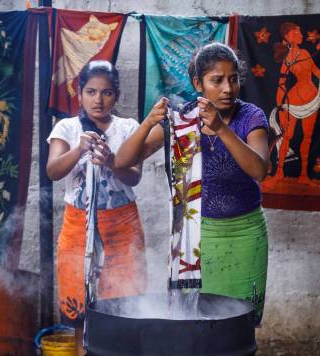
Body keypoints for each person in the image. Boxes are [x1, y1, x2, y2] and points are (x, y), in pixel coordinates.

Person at [115, 42, 269, 324]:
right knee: (200, 319)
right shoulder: (183, 120)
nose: (228, 88)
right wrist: (148, 123)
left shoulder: (251, 117)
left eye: (233, 79)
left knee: (241, 322)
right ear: (198, 83)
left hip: (245, 234)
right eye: (217, 80)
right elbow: (122, 161)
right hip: (197, 237)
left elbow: (259, 169)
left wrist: (221, 129)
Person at [46, 60, 146, 356]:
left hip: (122, 226)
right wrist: (80, 150)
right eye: (91, 92)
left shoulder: (129, 127)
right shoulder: (67, 128)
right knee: (81, 312)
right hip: (78, 225)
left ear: (116, 95)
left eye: (106, 92)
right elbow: (53, 170)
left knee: (124, 309)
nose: (98, 99)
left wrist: (110, 161)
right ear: (79, 93)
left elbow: (134, 177)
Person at [270, 22, 320, 184]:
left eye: (300, 32)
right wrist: (279, 105)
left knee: (307, 137)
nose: (300, 34)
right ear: (288, 37)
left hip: (312, 101)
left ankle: (304, 175)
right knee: (287, 136)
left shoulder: (305, 53)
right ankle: (279, 172)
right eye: (296, 33)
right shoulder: (287, 59)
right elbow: (281, 84)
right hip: (293, 102)